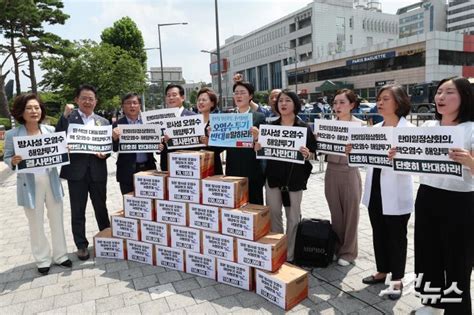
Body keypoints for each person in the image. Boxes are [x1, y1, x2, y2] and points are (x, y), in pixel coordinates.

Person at [412, 77, 473, 314]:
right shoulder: (428, 128)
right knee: (427, 254)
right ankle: (430, 303)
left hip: (460, 201)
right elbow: (414, 157)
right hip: (427, 195)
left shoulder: (471, 129)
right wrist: (398, 155)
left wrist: (469, 161)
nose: (441, 97)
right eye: (439, 92)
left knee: (458, 260)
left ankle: (457, 310)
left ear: (464, 97)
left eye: (449, 92)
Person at [353, 84, 414, 300]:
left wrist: (401, 156)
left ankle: (397, 279)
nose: (379, 103)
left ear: (398, 102)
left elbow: (417, 163)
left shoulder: (409, 131)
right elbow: (363, 159)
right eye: (378, 99)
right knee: (378, 232)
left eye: (385, 99)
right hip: (376, 190)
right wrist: (354, 151)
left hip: (396, 194)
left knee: (396, 237)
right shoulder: (376, 128)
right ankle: (382, 271)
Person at [4, 94, 72, 275]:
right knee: (35, 222)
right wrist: (13, 160)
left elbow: (61, 151)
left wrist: (66, 150)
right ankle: (42, 259)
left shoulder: (50, 131)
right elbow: (7, 157)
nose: (34, 111)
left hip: (51, 181)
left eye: (37, 108)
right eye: (29, 108)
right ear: (21, 111)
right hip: (29, 185)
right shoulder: (13, 134)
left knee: (57, 218)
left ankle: (61, 255)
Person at [254, 89, 316, 262]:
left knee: (293, 216)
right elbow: (262, 150)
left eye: (287, 100)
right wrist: (257, 147)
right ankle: (277, 250)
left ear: (295, 104)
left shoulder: (303, 128)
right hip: (273, 177)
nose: (283, 104)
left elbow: (312, 154)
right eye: (280, 101)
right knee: (274, 213)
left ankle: (290, 254)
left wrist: (306, 153)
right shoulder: (270, 127)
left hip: (295, 178)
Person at [55, 84, 110, 261]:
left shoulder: (104, 122)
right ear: (77, 100)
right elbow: (58, 137)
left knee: (101, 207)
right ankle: (81, 245)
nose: (87, 101)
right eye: (84, 98)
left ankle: (107, 239)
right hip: (76, 173)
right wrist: (64, 116)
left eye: (91, 98)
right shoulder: (68, 118)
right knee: (78, 210)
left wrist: (106, 153)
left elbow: (108, 146)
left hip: (97, 172)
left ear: (96, 101)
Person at [324, 89, 363, 266]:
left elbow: (366, 153)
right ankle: (337, 247)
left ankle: (348, 252)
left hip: (350, 171)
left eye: (342, 102)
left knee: (351, 213)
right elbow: (319, 151)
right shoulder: (327, 125)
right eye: (335, 103)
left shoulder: (360, 126)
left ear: (352, 105)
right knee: (336, 214)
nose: (337, 106)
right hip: (331, 171)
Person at [225, 81, 266, 204]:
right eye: (236, 93)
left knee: (254, 204)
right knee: (235, 205)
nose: (238, 96)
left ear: (250, 96)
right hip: (233, 167)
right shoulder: (227, 116)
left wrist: (257, 138)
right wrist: (213, 135)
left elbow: (264, 146)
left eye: (242, 93)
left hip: (252, 168)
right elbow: (221, 143)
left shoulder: (259, 117)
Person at [112, 93, 156, 194]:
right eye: (128, 103)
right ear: (123, 106)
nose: (132, 106)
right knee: (130, 204)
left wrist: (159, 145)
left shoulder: (148, 122)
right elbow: (113, 148)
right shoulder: (117, 125)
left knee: (149, 203)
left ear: (140, 105)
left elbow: (157, 145)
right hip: (126, 172)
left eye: (135, 103)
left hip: (148, 168)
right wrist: (114, 138)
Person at [159, 84, 195, 171]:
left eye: (174, 95)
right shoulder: (160, 118)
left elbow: (197, 144)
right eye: (168, 95)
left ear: (182, 97)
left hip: (187, 165)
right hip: (166, 166)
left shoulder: (193, 118)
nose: (171, 98)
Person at [196, 87, 224, 175]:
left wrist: (210, 142)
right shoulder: (191, 122)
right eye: (199, 100)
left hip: (212, 168)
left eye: (204, 100)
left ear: (212, 103)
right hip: (194, 167)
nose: (200, 102)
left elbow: (223, 146)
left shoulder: (217, 122)